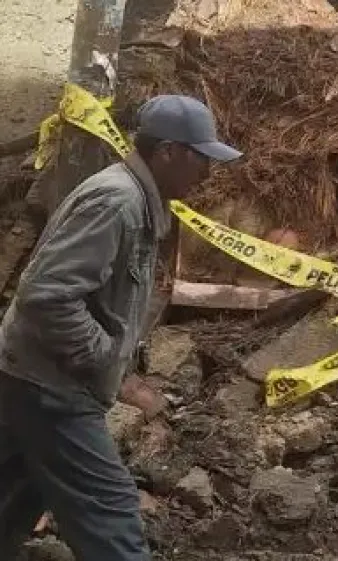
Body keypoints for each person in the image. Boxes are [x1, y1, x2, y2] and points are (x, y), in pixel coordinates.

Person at [0, 95, 241, 560]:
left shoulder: (136, 199)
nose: (207, 172)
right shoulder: (117, 202)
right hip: (52, 386)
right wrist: (102, 356)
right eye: (201, 158)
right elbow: (47, 296)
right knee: (110, 512)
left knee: (16, 491)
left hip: (29, 374)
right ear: (168, 152)